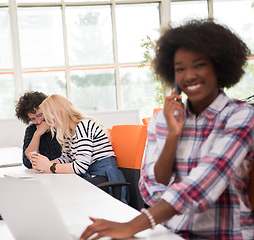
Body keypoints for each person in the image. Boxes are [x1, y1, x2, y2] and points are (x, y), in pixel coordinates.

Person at [80, 19, 254, 240]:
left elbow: (203, 185)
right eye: (180, 69)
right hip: (169, 233)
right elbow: (150, 187)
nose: (189, 75)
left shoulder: (240, 116)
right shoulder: (163, 120)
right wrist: (173, 137)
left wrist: (132, 226)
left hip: (225, 234)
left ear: (219, 66)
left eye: (199, 65)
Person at [29, 94, 128, 202]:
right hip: (91, 175)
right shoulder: (68, 132)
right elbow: (67, 158)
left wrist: (50, 166)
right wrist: (43, 165)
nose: (46, 123)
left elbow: (80, 166)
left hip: (104, 176)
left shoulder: (83, 126)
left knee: (63, 191)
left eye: (47, 119)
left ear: (57, 115)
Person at [15, 91, 62, 169]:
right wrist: (37, 134)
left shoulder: (61, 125)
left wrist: (47, 165)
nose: (38, 121)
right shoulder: (31, 130)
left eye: (40, 115)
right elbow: (28, 163)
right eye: (33, 119)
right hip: (45, 174)